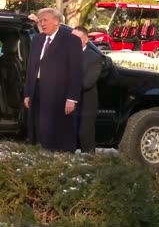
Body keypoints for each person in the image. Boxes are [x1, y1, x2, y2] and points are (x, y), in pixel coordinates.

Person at [24, 8, 83, 152]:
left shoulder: (70, 40)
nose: (42, 24)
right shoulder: (37, 39)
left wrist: (72, 98)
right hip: (37, 90)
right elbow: (31, 67)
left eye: (45, 20)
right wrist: (27, 93)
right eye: (40, 20)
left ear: (57, 21)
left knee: (57, 132)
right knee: (39, 128)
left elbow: (76, 71)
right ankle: (41, 155)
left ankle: (58, 160)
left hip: (59, 94)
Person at [72, 26, 103, 153]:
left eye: (77, 39)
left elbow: (87, 82)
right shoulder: (64, 55)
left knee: (85, 136)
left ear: (85, 40)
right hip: (65, 106)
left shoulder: (94, 58)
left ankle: (88, 164)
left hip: (85, 105)